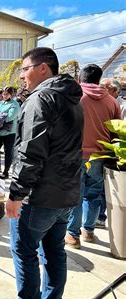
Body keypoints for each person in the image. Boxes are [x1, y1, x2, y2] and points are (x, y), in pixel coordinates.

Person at [0, 47, 84, 299]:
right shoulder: (72, 99)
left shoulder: (40, 99)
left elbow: (30, 151)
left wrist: (16, 195)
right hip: (66, 194)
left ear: (43, 67)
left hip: (40, 196)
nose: (22, 76)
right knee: (55, 253)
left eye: (25, 69)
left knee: (25, 253)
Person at [65, 65, 122, 249]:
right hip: (100, 155)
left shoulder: (74, 97)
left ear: (80, 79)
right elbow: (117, 131)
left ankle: (73, 235)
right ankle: (88, 230)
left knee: (76, 195)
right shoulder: (112, 102)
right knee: (94, 194)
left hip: (76, 154)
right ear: (99, 79)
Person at [96, 78, 123, 227]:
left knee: (100, 189)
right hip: (102, 150)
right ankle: (94, 220)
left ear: (112, 90)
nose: (101, 90)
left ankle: (99, 217)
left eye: (104, 87)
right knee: (96, 189)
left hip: (110, 151)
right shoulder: (111, 102)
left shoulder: (118, 104)